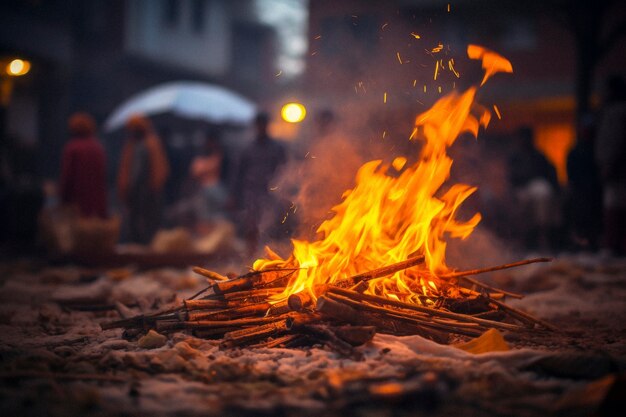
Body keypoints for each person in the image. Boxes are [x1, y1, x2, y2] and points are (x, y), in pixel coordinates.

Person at [231, 112, 287, 257]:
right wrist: (234, 195)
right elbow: (239, 173)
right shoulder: (248, 149)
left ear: (267, 126)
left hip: (271, 193)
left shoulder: (277, 148)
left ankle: (272, 257)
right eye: (258, 125)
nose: (261, 128)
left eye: (263, 124)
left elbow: (285, 170)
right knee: (251, 226)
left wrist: (285, 192)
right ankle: (251, 256)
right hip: (252, 193)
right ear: (256, 126)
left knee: (272, 225)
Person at [117, 114, 170, 244]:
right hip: (153, 192)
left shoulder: (141, 146)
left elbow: (137, 173)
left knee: (141, 227)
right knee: (151, 226)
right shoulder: (153, 143)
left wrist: (131, 193)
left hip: (142, 194)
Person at [507, 126, 559, 251]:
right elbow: (512, 179)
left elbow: (551, 173)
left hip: (538, 187)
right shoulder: (515, 158)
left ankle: (543, 239)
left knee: (543, 193)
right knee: (521, 206)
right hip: (520, 190)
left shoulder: (539, 156)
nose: (524, 141)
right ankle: (521, 242)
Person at [595, 75, 626, 255]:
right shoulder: (613, 111)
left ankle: (613, 245)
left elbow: (616, 141)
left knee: (615, 207)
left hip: (618, 170)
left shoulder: (618, 112)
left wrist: (610, 163)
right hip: (614, 167)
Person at [565, 113, 602, 251]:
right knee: (579, 216)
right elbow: (571, 172)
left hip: (595, 190)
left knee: (594, 218)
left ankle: (593, 242)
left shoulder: (596, 149)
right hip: (579, 190)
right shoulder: (575, 151)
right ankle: (579, 243)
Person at [59, 112, 107, 218]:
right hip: (96, 202)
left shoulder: (72, 148)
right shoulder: (97, 148)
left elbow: (67, 177)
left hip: (76, 202)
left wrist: (63, 199)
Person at [189, 129, 228, 232]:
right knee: (203, 218)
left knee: (218, 218)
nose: (209, 144)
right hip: (203, 191)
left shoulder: (220, 156)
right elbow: (194, 173)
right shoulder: (200, 158)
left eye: (211, 141)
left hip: (217, 191)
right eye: (208, 142)